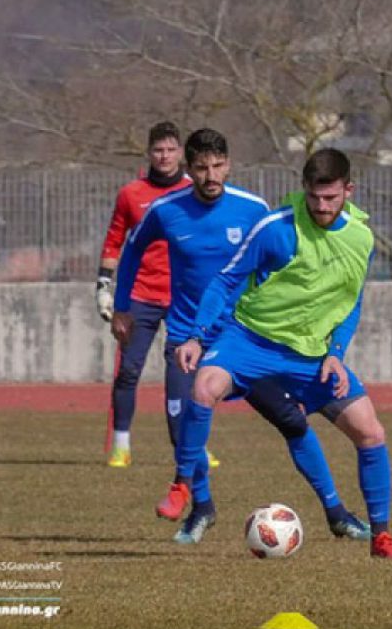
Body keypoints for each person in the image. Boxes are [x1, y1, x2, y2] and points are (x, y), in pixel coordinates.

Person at [115, 130, 370, 544]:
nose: (210, 175)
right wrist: (123, 305)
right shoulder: (166, 211)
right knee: (185, 421)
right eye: (200, 168)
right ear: (188, 168)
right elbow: (131, 251)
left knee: (292, 422)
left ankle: (336, 512)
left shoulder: (253, 209)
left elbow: (278, 258)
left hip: (247, 337)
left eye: (217, 166)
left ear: (228, 165)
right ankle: (200, 506)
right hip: (188, 337)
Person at [162, 147, 392, 560]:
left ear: (349, 190)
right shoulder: (276, 227)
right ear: (304, 190)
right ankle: (183, 484)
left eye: (331, 198)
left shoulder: (360, 238)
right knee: (205, 388)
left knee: (371, 432)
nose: (321, 206)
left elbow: (350, 303)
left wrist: (335, 353)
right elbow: (226, 281)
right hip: (249, 340)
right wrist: (195, 337)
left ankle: (380, 538)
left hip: (311, 355)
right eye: (314, 197)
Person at [97, 121, 216, 469]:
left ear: (180, 152)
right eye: (158, 150)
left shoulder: (195, 190)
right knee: (129, 370)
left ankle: (193, 446)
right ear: (149, 153)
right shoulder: (131, 194)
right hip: (140, 296)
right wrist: (103, 286)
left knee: (186, 374)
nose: (164, 156)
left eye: (170, 149)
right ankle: (121, 444)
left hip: (184, 297)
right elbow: (114, 242)